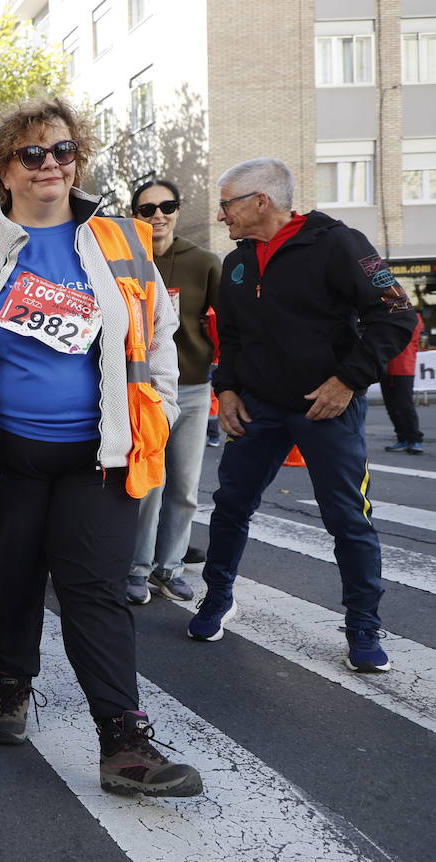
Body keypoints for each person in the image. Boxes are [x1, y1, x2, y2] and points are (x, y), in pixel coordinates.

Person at [0, 98, 202, 797]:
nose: (51, 164)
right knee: (11, 581)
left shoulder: (121, 241)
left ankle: (123, 742)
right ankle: (13, 684)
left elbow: (159, 335)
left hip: (98, 458)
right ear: (3, 169)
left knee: (96, 593)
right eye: (33, 153)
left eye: (64, 150)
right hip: (2, 455)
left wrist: (162, 409)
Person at [190, 158, 419, 674]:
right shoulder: (237, 263)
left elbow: (395, 313)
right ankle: (217, 598)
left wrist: (348, 380)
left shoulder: (339, 243)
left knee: (348, 518)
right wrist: (227, 391)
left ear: (260, 201)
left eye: (226, 204)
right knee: (230, 506)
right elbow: (232, 336)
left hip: (327, 407)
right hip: (258, 408)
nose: (221, 215)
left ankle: (363, 626)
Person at [125, 179, 221, 605]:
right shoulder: (125, 260)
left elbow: (229, 325)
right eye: (147, 209)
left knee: (183, 486)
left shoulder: (204, 262)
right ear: (135, 216)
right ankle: (137, 569)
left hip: (193, 389)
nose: (158, 215)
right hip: (141, 390)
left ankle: (170, 568)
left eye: (167, 206)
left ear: (179, 210)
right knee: (149, 484)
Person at [381, 318, 424, 454]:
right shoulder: (388, 314)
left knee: (405, 406)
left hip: (403, 367)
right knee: (391, 407)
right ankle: (403, 438)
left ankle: (415, 439)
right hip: (386, 367)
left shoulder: (412, 316)